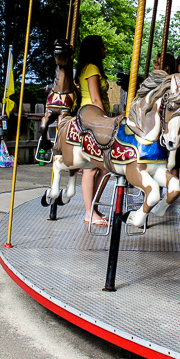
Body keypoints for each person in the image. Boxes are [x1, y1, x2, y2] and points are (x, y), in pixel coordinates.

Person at [75, 35, 111, 226]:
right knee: (91, 168)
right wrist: (106, 123)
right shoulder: (92, 68)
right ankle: (90, 212)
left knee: (104, 167)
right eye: (103, 46)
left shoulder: (87, 68)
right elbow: (96, 99)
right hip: (93, 119)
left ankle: (93, 208)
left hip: (91, 118)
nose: (105, 49)